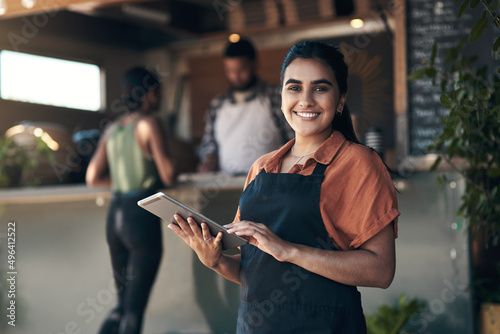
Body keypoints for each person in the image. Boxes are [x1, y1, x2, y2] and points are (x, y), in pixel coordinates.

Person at [169, 41, 399, 333]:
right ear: (281, 96)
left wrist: (288, 251)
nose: (305, 100)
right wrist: (215, 261)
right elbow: (251, 268)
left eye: (320, 88)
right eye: (294, 87)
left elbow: (380, 271)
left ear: (340, 100)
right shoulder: (262, 167)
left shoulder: (358, 163)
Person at [86, 67, 175, 334]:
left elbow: (92, 177)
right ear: (148, 94)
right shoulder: (150, 123)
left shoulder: (113, 129)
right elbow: (168, 174)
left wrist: (124, 183)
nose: (158, 98)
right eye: (157, 92)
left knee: (122, 305)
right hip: (140, 218)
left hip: (115, 215)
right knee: (134, 310)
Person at [198, 37, 294, 175]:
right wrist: (208, 162)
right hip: (227, 183)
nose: (235, 76)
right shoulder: (217, 105)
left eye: (241, 70)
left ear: (255, 64)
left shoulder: (276, 97)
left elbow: (293, 141)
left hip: (269, 180)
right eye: (229, 71)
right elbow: (210, 147)